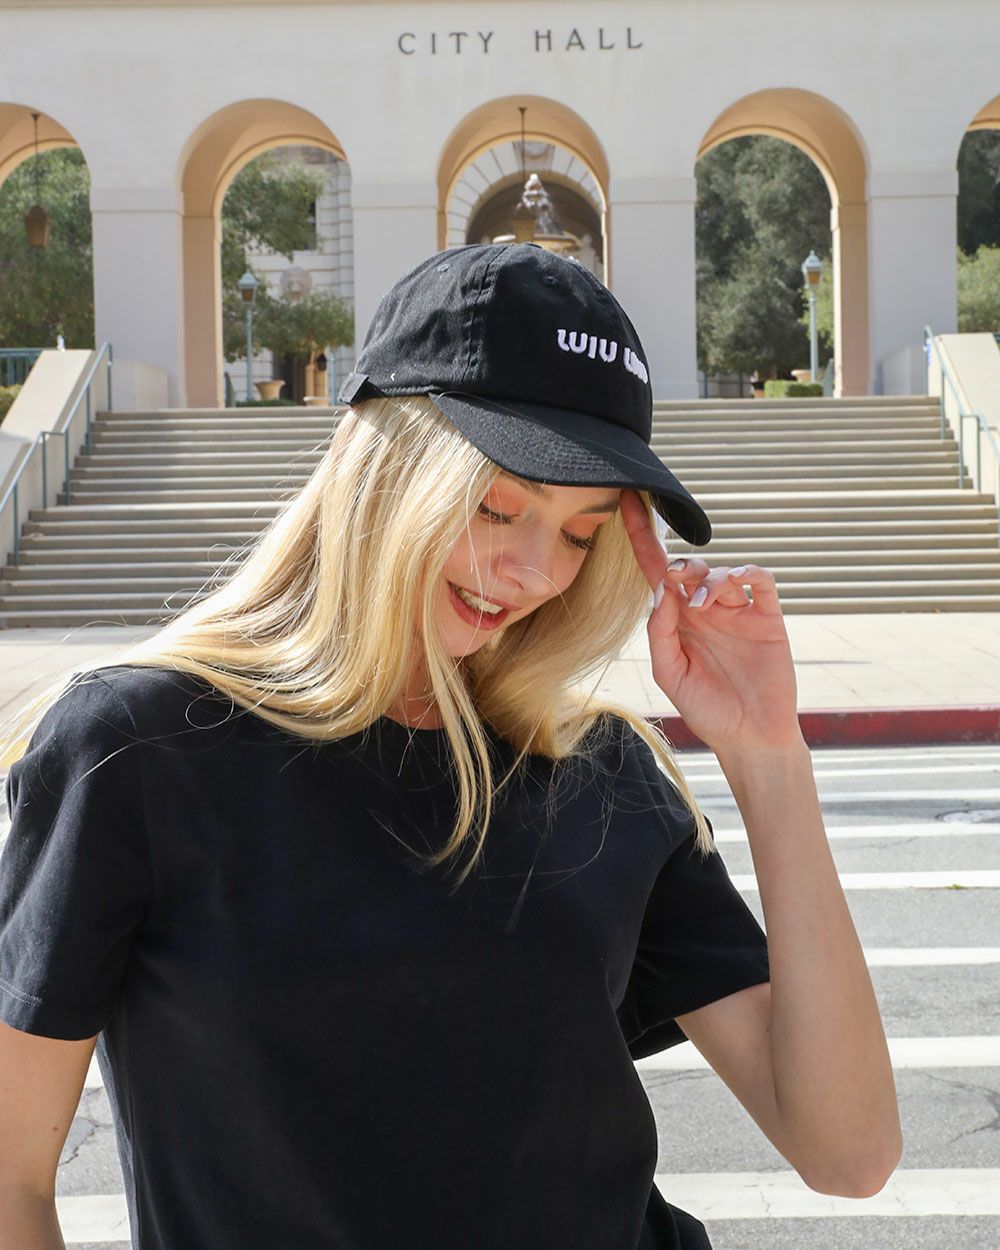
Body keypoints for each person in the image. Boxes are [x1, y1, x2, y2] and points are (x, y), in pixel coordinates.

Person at [0, 243, 901, 1250]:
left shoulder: (597, 766)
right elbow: (11, 1183)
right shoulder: (137, 750)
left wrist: (767, 754)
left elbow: (849, 1151)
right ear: (387, 465)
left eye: (581, 531)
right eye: (497, 506)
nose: (534, 571)